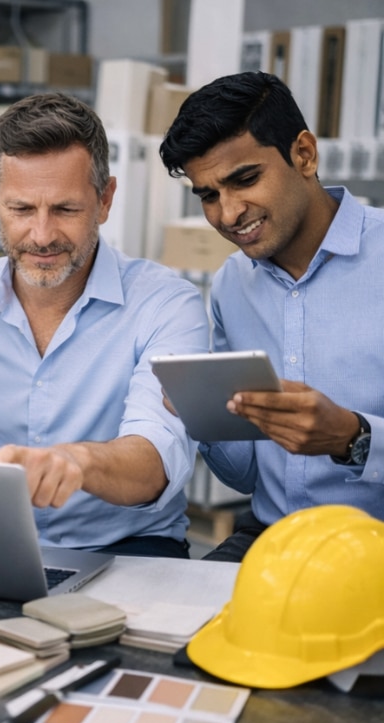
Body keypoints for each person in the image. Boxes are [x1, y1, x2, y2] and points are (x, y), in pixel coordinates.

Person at [0, 92, 210, 557]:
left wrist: (76, 461)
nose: (42, 235)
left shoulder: (167, 305)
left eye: (65, 210)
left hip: (128, 549)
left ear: (105, 200)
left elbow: (157, 456)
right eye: (22, 209)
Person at [159, 71, 384, 562]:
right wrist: (202, 415)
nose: (229, 212)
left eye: (245, 179)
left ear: (303, 154)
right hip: (272, 535)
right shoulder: (232, 285)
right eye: (208, 195)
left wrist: (354, 438)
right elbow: (243, 475)